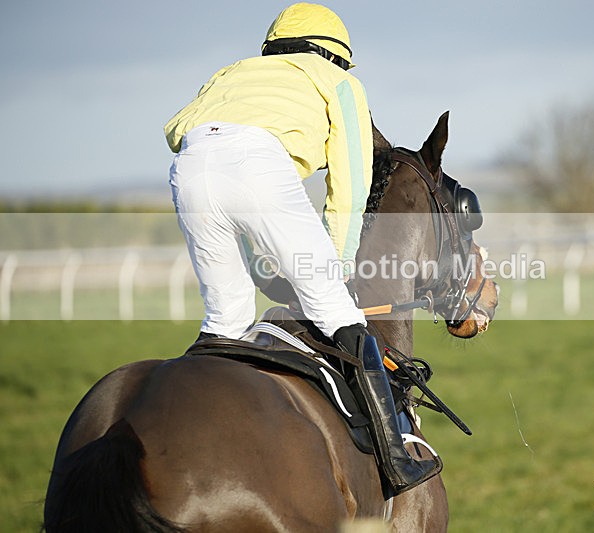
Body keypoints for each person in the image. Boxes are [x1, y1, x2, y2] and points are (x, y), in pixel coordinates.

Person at [164, 3, 439, 495]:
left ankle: (179, 420)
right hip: (258, 163)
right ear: (335, 54)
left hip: (190, 166)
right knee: (339, 315)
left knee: (224, 321)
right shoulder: (340, 83)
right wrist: (334, 266)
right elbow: (350, 186)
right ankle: (397, 462)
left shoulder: (233, 71)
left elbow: (175, 132)